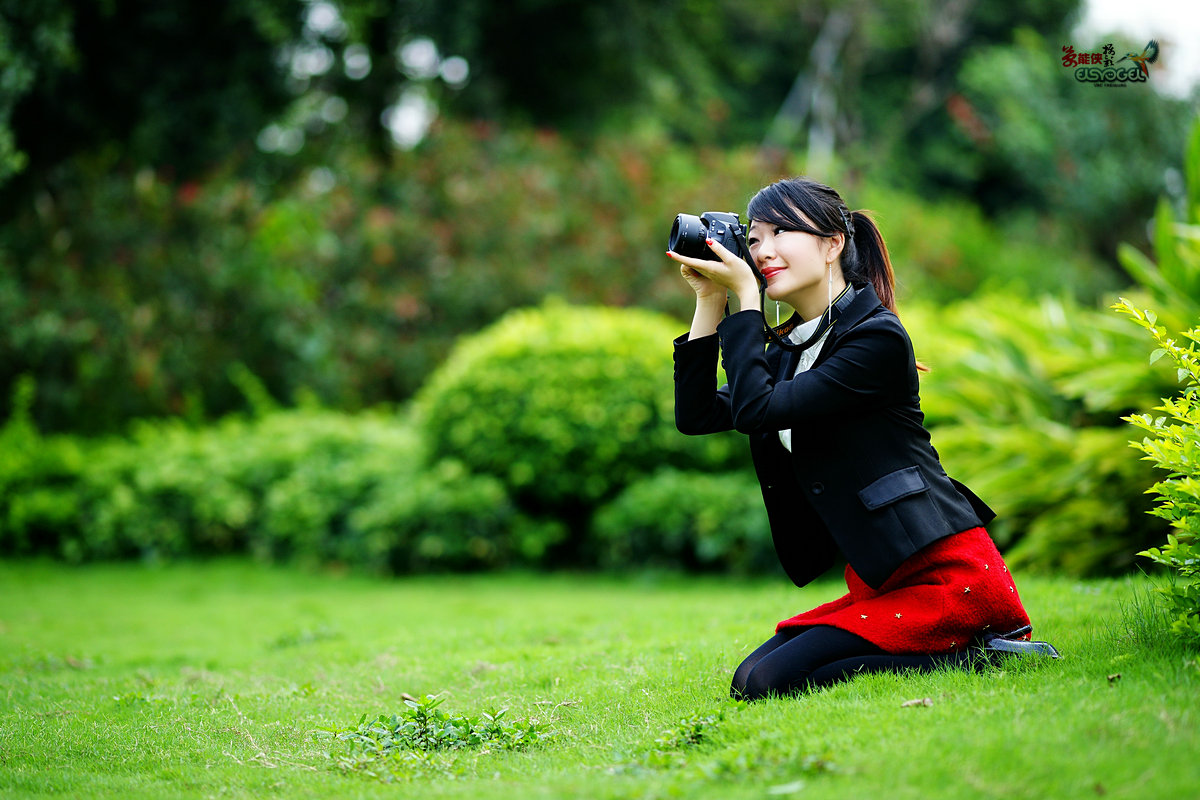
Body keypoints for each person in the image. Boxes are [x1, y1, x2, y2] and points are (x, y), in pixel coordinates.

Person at [667, 177, 1035, 701]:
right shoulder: (789, 350)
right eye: (753, 239)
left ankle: (981, 649)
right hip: (885, 578)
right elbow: (698, 414)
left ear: (832, 242)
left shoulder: (875, 339)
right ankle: (973, 652)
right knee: (751, 677)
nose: (762, 250)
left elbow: (757, 411)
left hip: (948, 574)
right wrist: (710, 299)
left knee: (770, 682)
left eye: (779, 232)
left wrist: (748, 299)